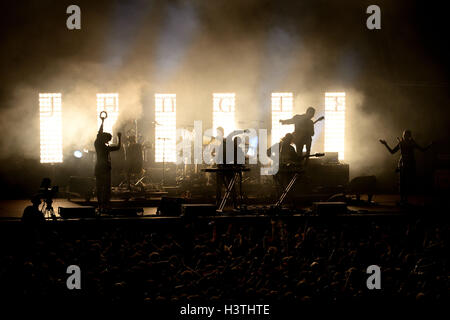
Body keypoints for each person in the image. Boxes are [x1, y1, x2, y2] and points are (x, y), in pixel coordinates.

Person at [380, 130, 431, 205]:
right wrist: (385, 144)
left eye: (406, 135)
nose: (404, 137)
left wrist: (430, 145)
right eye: (404, 135)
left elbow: (423, 149)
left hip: (409, 165)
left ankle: (405, 200)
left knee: (406, 183)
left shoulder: (410, 143)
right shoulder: (403, 143)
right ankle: (403, 200)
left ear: (409, 136)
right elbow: (392, 152)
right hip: (402, 165)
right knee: (402, 183)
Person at [95, 121, 122, 212]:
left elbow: (99, 134)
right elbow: (118, 147)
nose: (108, 141)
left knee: (102, 187)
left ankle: (102, 205)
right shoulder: (100, 145)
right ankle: (104, 204)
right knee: (104, 188)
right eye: (108, 139)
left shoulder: (99, 145)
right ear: (104, 138)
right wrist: (119, 137)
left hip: (102, 169)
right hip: (104, 169)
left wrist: (102, 121)